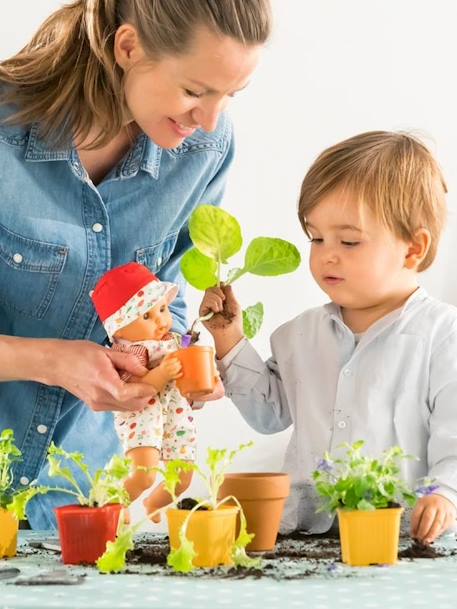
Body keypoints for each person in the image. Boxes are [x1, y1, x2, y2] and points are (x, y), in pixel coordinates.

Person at [0, 0, 271, 529]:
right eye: (194, 90)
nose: (209, 119)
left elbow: (164, 298)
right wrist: (50, 360)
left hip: (78, 506)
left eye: (228, 96)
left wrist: (182, 363)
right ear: (129, 47)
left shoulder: (206, 150)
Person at [200, 131, 457, 544]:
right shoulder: (300, 335)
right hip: (306, 539)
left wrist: (445, 494)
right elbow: (269, 414)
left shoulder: (443, 336)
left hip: (404, 541)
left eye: (349, 241)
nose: (326, 255)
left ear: (413, 249)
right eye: (316, 238)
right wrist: (229, 338)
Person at [92, 261, 220, 516]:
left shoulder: (173, 340)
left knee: (183, 476)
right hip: (142, 418)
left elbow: (193, 353)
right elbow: (135, 391)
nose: (161, 320)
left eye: (162, 308)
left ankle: (154, 504)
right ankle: (115, 505)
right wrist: (161, 374)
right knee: (144, 474)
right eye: (147, 316)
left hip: (177, 415)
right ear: (118, 329)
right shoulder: (131, 352)